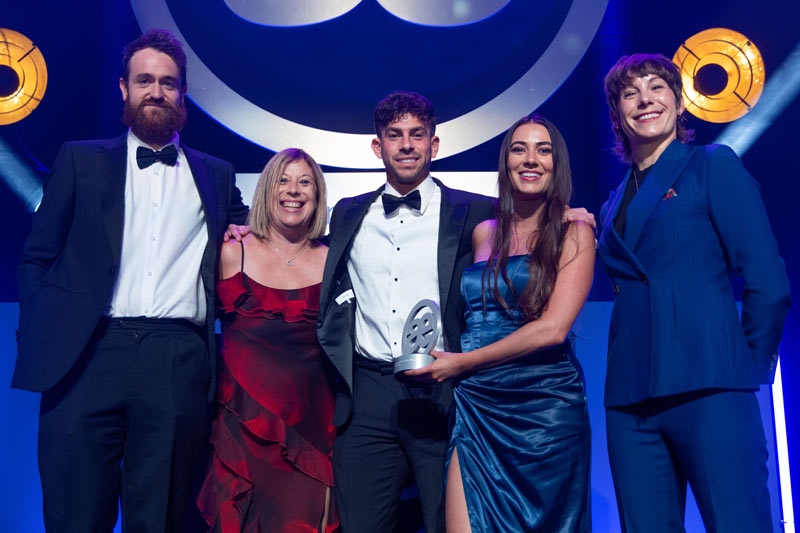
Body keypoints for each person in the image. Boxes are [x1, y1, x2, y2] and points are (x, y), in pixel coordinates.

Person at [13, 29, 248, 531]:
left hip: (176, 359)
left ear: (183, 93)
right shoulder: (79, 160)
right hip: (86, 354)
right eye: (144, 81)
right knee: (75, 514)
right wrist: (46, 328)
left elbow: (256, 239)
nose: (155, 92)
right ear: (124, 88)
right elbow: (38, 256)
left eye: (168, 83)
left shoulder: (218, 175)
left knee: (160, 517)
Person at [597, 53, 790, 532]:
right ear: (617, 113)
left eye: (656, 88)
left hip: (710, 387)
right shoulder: (611, 203)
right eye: (630, 93)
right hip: (630, 400)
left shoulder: (711, 166)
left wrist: (743, 369)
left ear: (679, 103)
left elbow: (768, 282)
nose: (645, 100)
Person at [316, 91, 495, 532]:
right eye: (395, 135)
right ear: (378, 147)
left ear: (434, 144)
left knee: (448, 523)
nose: (407, 145)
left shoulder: (475, 210)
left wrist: (570, 217)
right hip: (367, 391)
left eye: (417, 134)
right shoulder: (348, 212)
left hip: (442, 390)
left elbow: (531, 230)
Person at [408, 114, 594, 532]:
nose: (530, 159)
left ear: (557, 163)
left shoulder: (574, 232)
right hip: (477, 406)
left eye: (543, 150)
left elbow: (553, 329)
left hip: (545, 411)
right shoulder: (484, 232)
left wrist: (462, 363)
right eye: (519, 149)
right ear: (505, 161)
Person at [197, 148, 338, 532]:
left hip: (312, 429)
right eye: (283, 180)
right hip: (240, 427)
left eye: (305, 182)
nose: (293, 190)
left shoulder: (334, 261)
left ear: (317, 194)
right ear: (266, 190)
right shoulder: (230, 252)